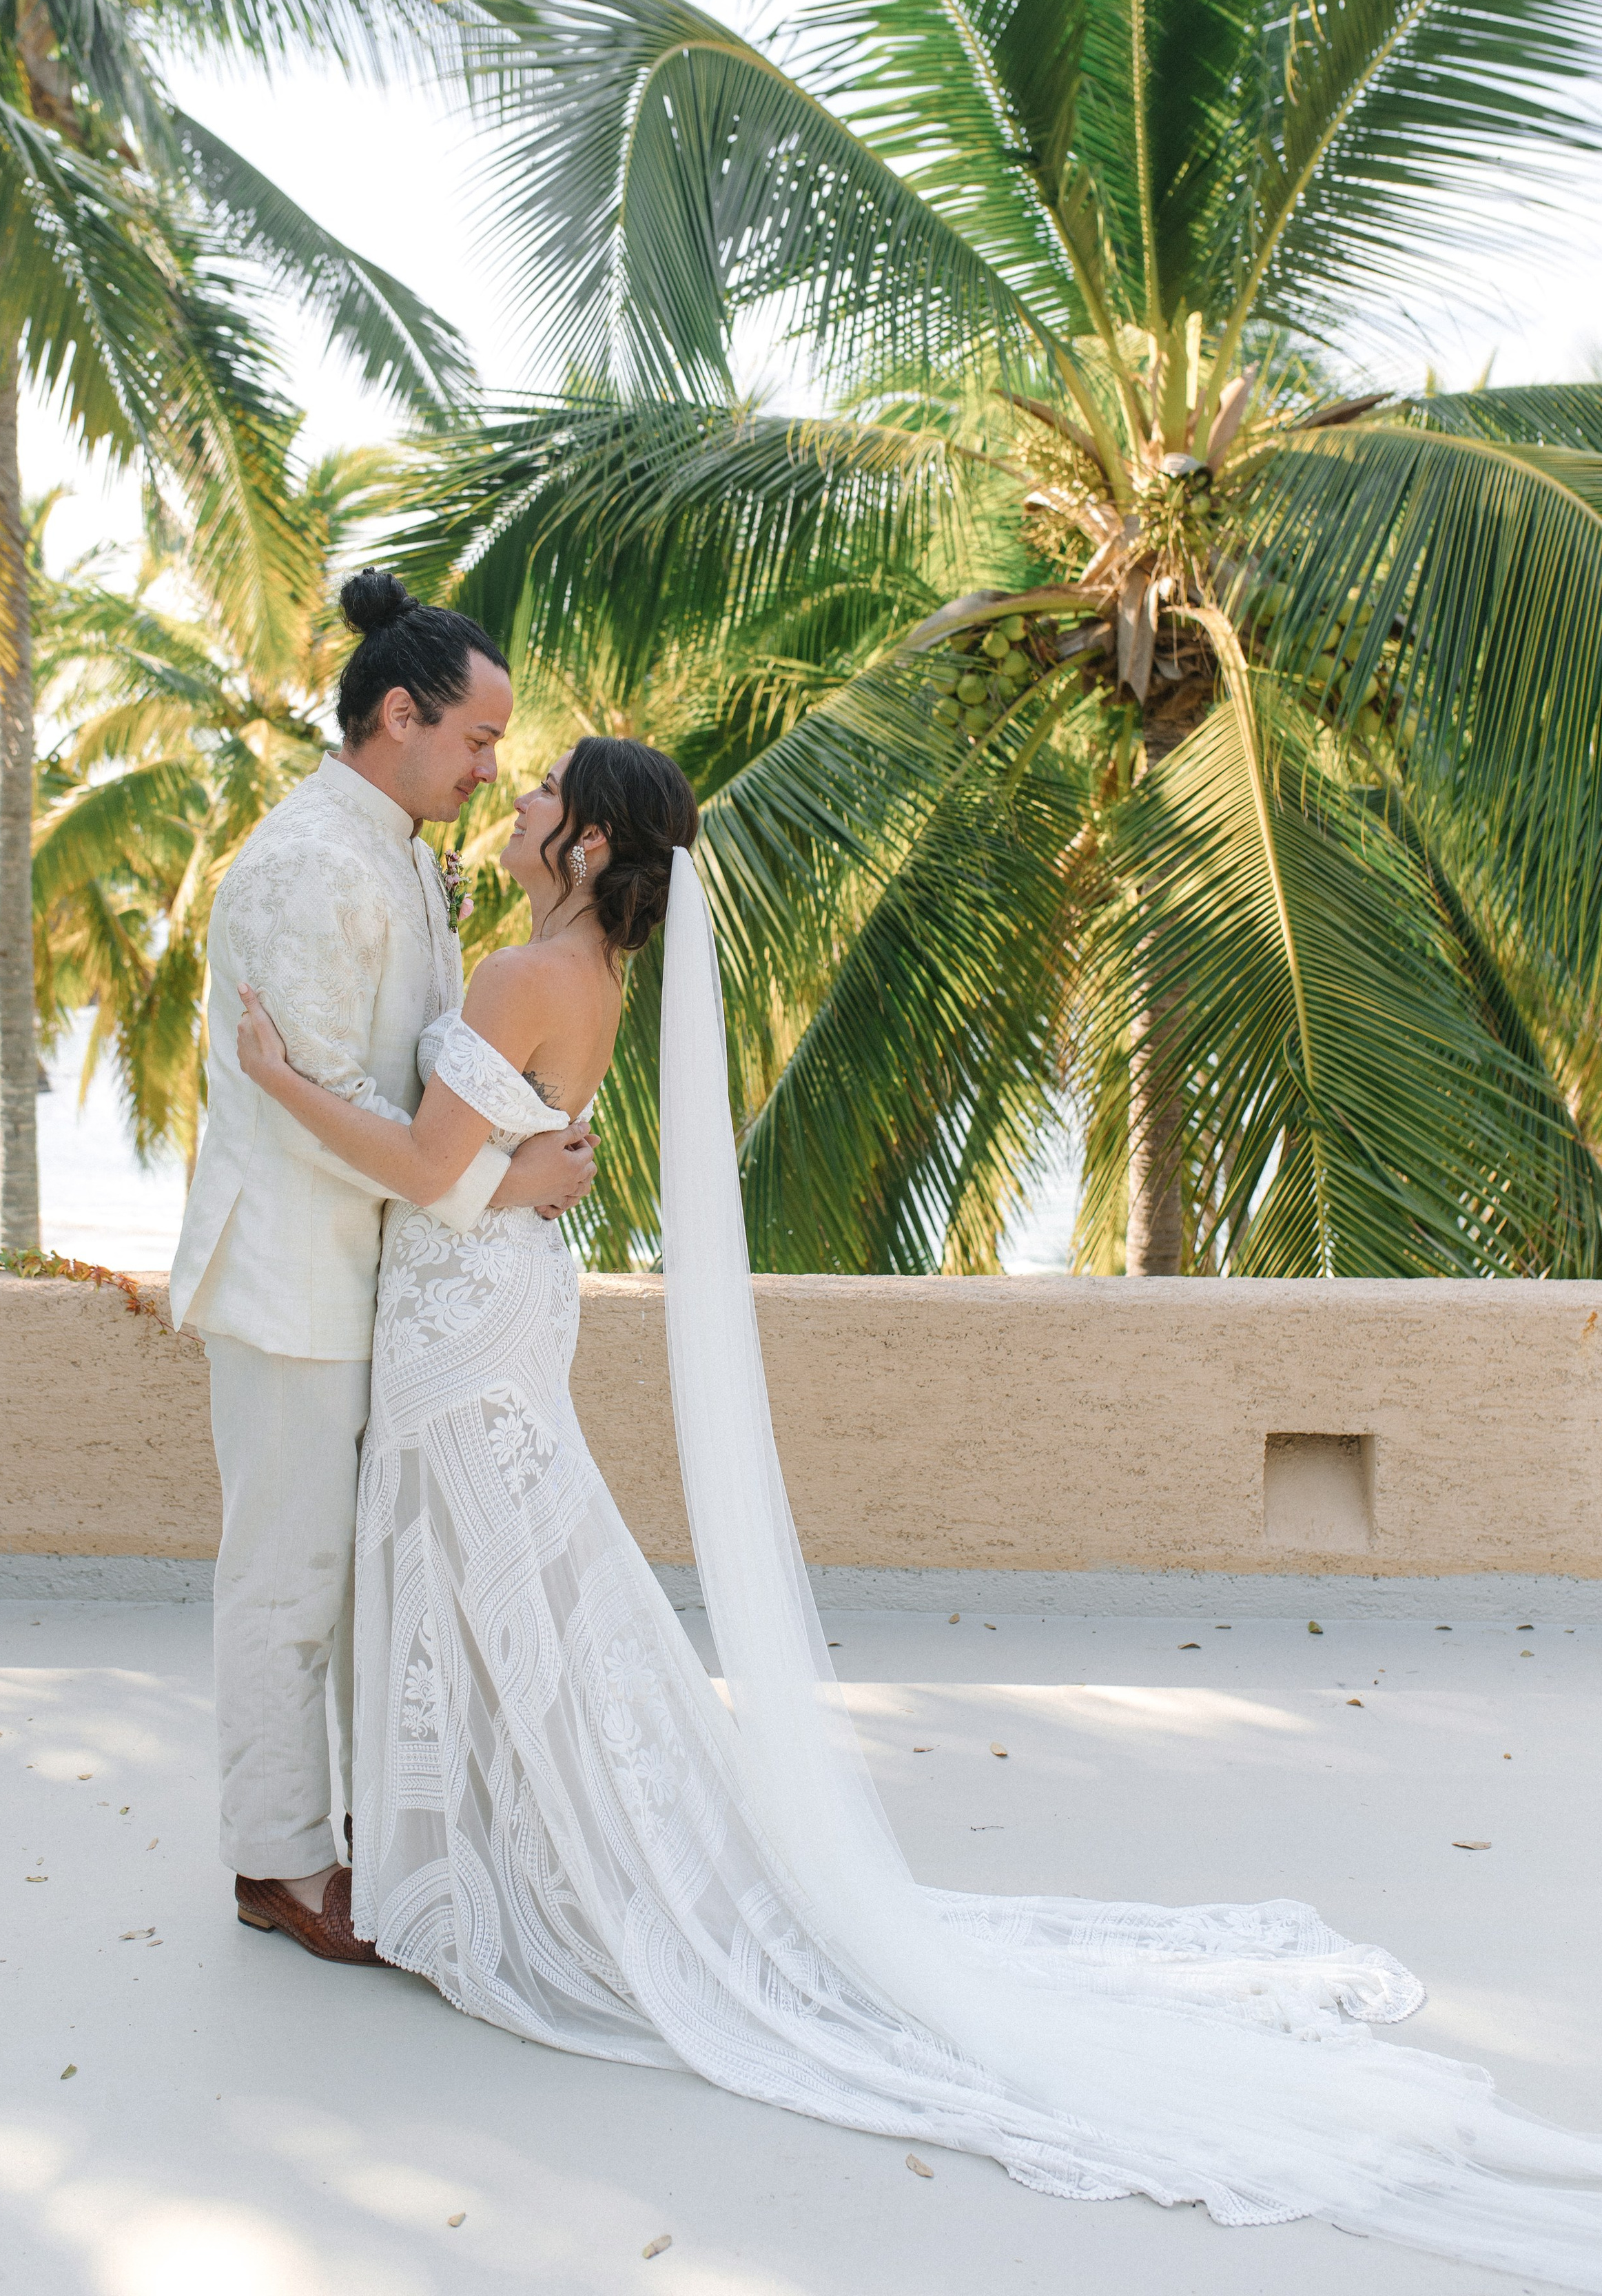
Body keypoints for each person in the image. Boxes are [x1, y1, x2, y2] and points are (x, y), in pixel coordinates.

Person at [233, 739, 1602, 2290]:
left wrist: (281, 1081)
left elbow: (426, 1166)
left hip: (459, 1328)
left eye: (541, 789)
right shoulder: (590, 975)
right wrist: (505, 1176)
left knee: (502, 1584)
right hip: (498, 1311)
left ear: (588, 837)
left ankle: (516, 1879)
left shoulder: (515, 973)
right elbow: (492, 1163)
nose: (519, 800)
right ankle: (502, 1859)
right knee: (521, 1591)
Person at [170, 571, 597, 1964]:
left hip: (377, 1285)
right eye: (476, 741)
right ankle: (277, 1865)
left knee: (357, 1588)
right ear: (398, 716)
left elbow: (420, 1092)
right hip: (295, 1284)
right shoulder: (307, 867)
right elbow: (337, 1104)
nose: (493, 771)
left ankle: (356, 1835)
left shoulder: (397, 850)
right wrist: (506, 1183)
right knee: (286, 1584)